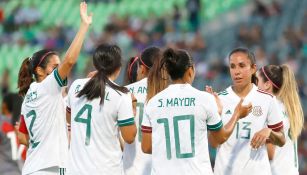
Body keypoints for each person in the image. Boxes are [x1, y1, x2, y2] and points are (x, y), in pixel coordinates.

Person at [141, 48, 252, 175]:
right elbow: (220, 137)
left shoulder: (152, 103)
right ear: (190, 70)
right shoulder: (205, 99)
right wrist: (237, 114)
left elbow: (146, 147)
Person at [17, 2, 92, 175]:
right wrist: (84, 26)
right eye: (55, 66)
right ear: (39, 70)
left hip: (32, 167)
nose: (60, 70)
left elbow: (22, 137)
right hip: (50, 168)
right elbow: (70, 61)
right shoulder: (48, 87)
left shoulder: (30, 94)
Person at [213, 48, 286, 175]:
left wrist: (269, 132)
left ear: (253, 68)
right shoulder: (219, 99)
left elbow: (282, 139)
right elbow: (214, 143)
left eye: (242, 66)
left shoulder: (267, 99)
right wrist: (216, 114)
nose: (237, 72)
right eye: (232, 66)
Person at [66, 44, 137, 175]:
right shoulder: (122, 95)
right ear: (119, 68)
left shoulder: (76, 85)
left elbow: (68, 119)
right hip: (106, 169)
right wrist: (132, 110)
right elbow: (129, 137)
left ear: (95, 64)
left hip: (75, 170)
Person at [256, 65, 304, 175]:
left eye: (256, 80)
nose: (253, 85)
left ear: (267, 84)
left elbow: (270, 153)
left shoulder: (269, 109)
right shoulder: (287, 106)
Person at [123, 46, 161, 175]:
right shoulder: (167, 93)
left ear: (142, 68)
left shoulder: (124, 92)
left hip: (131, 167)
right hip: (160, 168)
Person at [0, 93, 25, 175]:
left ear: (4, 105)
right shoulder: (24, 122)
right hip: (23, 170)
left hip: (5, 170)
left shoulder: (2, 122)